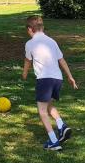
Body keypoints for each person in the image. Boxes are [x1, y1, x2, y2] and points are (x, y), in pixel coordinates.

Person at [21, 15, 78, 151]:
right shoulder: (52, 41)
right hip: (57, 78)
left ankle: (53, 141)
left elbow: (28, 60)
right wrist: (70, 77)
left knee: (41, 111)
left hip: (44, 79)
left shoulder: (30, 43)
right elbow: (61, 60)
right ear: (43, 28)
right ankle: (61, 126)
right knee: (48, 105)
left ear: (30, 29)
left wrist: (24, 74)